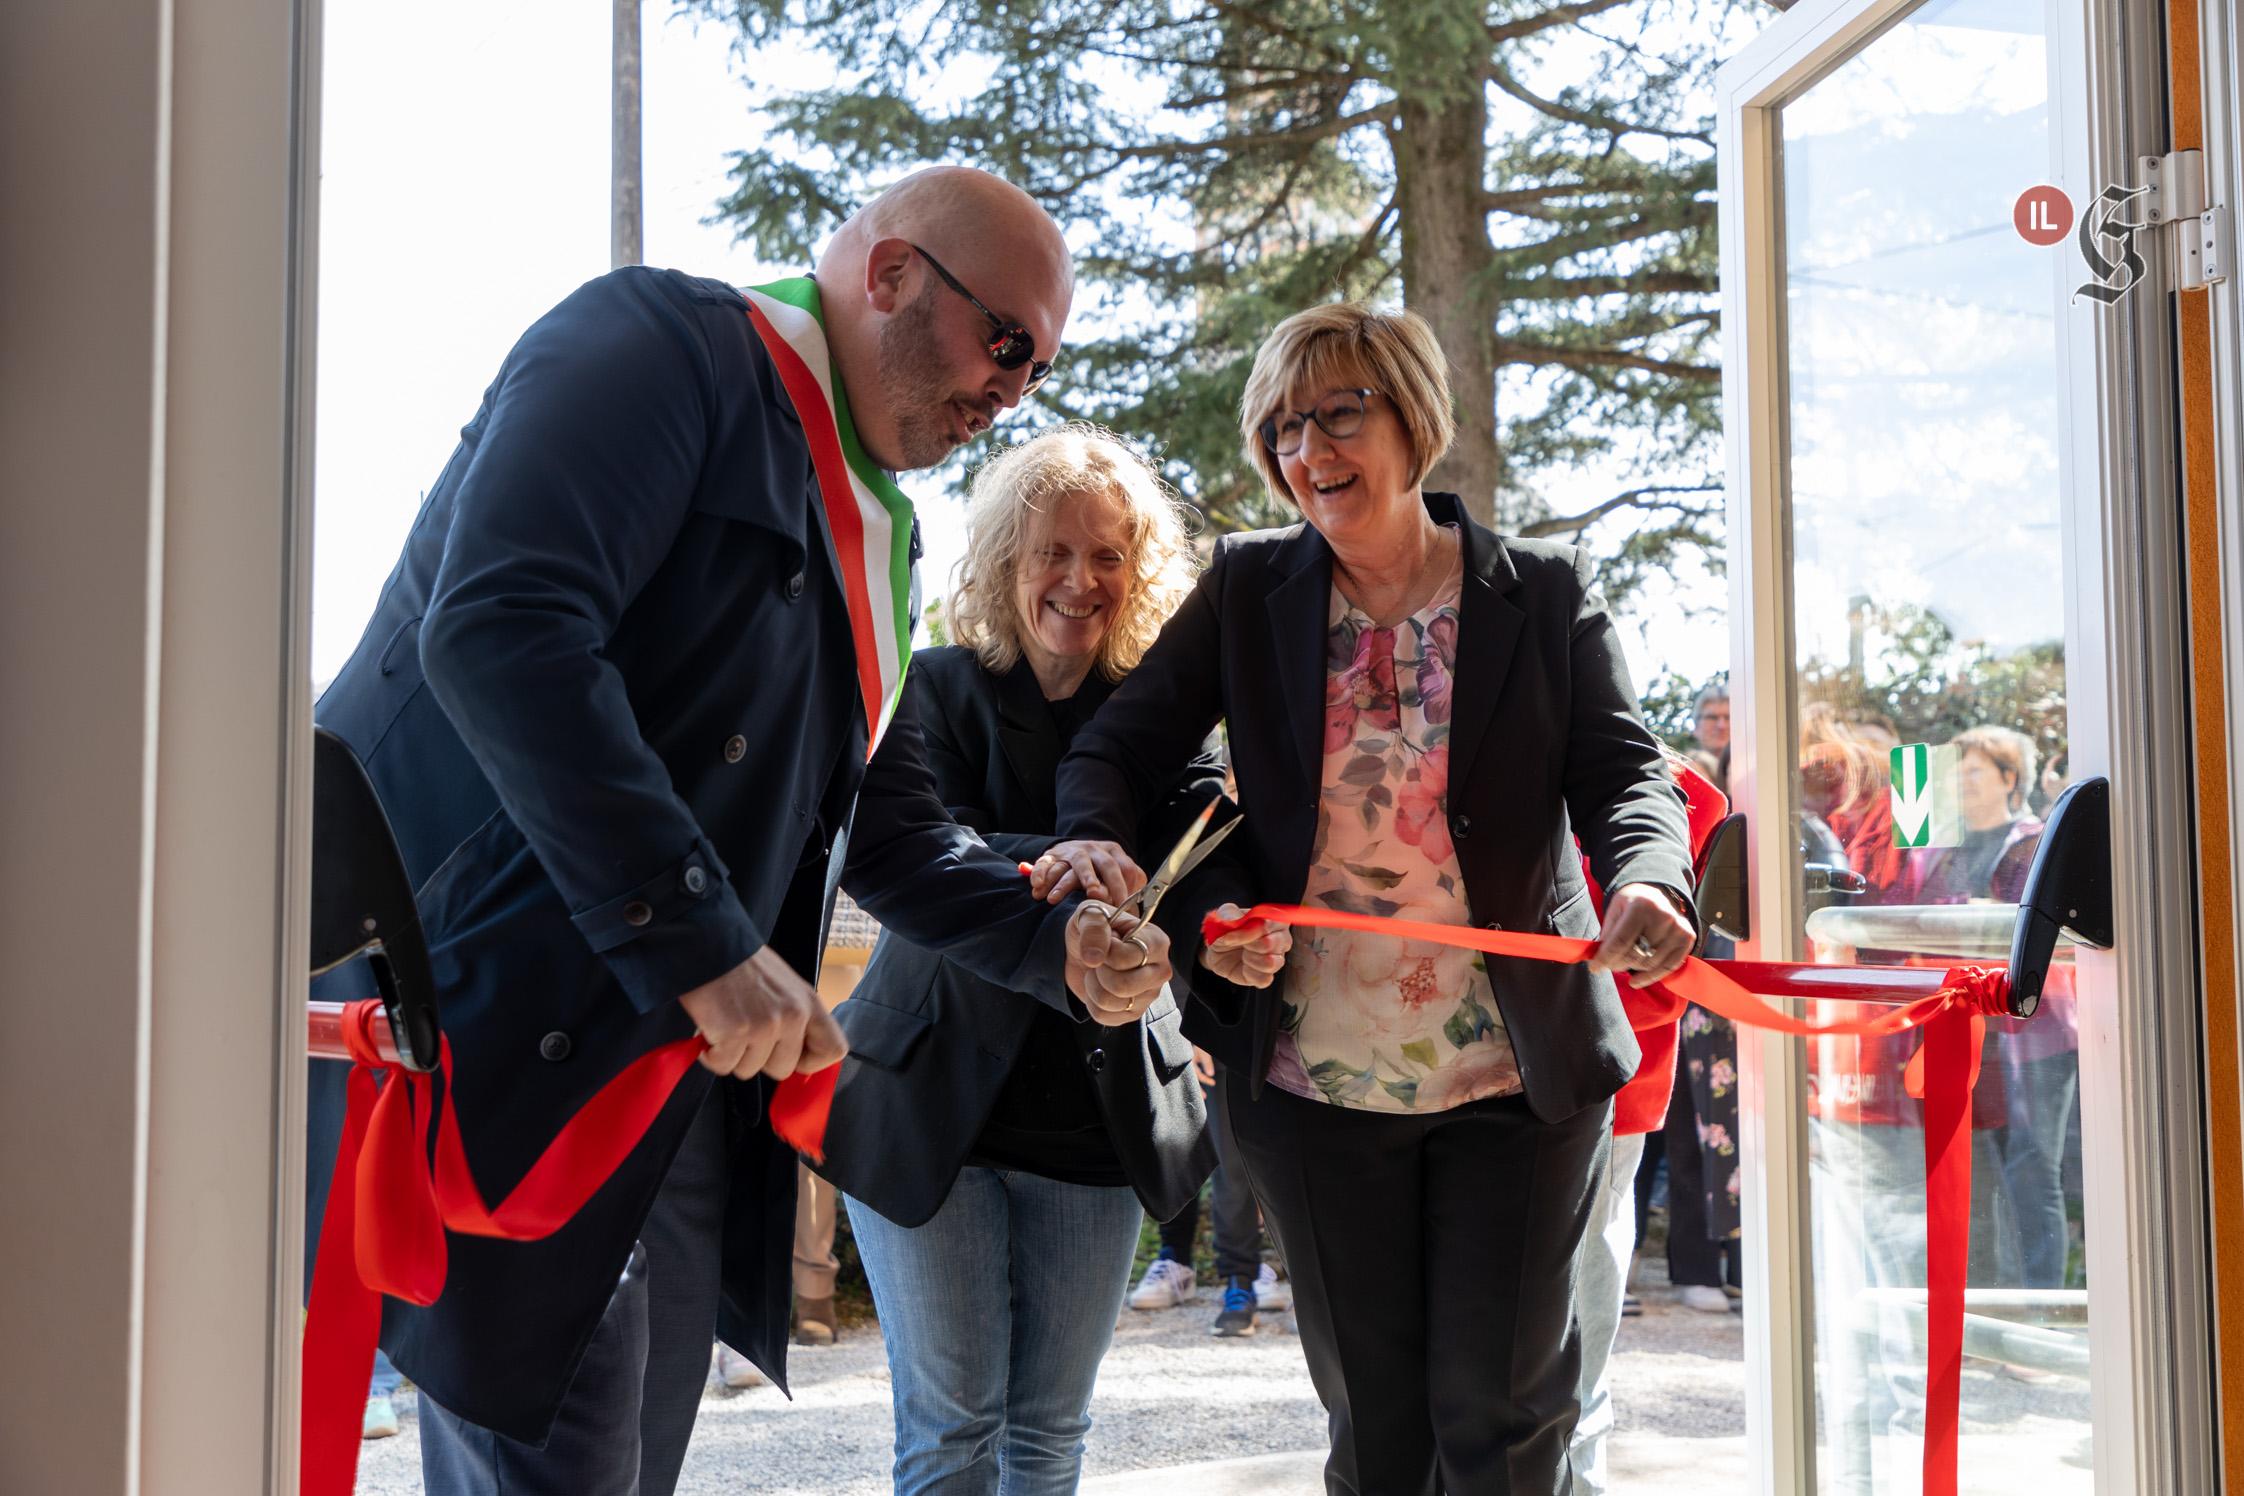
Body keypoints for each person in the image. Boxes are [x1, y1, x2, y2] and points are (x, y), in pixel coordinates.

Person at [310, 166, 1171, 1496]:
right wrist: (702, 938)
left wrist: (1050, 939)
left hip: (666, 1089)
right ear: (887, 276)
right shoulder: (661, 344)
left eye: (1036, 367)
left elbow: (882, 836)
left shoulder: (876, 529)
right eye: (1005, 342)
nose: (1010, 392)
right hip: (508, 1049)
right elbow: (499, 629)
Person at [1053, 302, 1698, 1491]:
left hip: (1517, 1075)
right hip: (1313, 1083)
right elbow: (1120, 748)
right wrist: (1102, 849)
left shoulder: (1539, 592)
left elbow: (1627, 771)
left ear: (1414, 420)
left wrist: (1653, 876)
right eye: (1282, 428)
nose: (1308, 451)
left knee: (1502, 1418)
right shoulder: (1248, 587)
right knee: (1380, 1427)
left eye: (1338, 413)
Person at [815, 425, 1224, 1494]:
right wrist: (1060, 854)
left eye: (1107, 555)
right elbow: (911, 849)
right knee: (953, 1427)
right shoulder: (932, 685)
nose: (1079, 580)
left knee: (1050, 1428)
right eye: (1052, 550)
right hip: (930, 1101)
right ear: (1004, 559)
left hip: (1098, 1114)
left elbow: (1205, 858)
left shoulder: (1164, 716)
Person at [1129, 1044, 1290, 1336]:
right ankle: (1178, 1259)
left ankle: (1242, 1279)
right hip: (1181, 1019)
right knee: (1174, 1141)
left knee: (1234, 1164)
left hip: (1241, 1028)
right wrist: (1181, 1034)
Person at [1692, 678, 1730, 759]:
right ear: (1696, 728)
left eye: (1728, 718)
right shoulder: (1680, 770)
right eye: (1712, 718)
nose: (1721, 726)